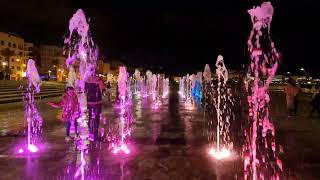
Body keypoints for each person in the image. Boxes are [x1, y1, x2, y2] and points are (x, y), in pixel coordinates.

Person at [85, 75, 105, 141]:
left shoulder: (87, 80)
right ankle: (94, 135)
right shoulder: (98, 81)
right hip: (96, 102)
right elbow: (103, 88)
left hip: (91, 102)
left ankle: (90, 134)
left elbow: (84, 90)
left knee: (90, 118)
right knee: (96, 118)